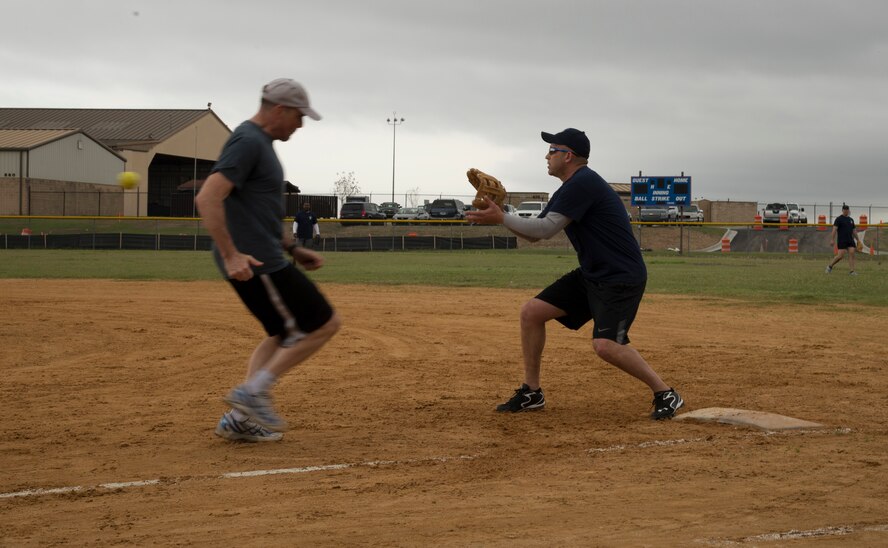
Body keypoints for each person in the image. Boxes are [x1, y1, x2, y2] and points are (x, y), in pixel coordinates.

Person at [466, 128, 683, 420]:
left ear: (568, 156)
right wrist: (503, 212)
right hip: (593, 274)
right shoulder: (570, 187)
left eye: (552, 150)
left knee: (606, 345)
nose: (547, 155)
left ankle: (665, 392)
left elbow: (544, 230)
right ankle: (532, 392)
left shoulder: (583, 184)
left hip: (620, 277)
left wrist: (501, 217)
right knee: (532, 312)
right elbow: (535, 233)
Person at [196, 78, 341, 442]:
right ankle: (253, 393)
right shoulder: (248, 142)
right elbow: (208, 198)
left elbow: (257, 210)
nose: (300, 124)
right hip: (255, 261)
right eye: (298, 116)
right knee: (323, 324)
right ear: (279, 110)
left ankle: (240, 419)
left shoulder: (259, 143)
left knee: (281, 333)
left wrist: (294, 249)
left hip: (264, 256)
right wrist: (231, 255)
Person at [826, 204, 859, 275]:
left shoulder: (851, 220)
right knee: (840, 256)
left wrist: (858, 240)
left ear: (848, 210)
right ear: (842, 210)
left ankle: (852, 271)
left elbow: (854, 231)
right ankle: (830, 266)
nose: (846, 211)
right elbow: (834, 230)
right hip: (842, 240)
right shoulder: (839, 219)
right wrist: (832, 239)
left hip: (850, 240)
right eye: (844, 209)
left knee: (852, 253)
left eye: (847, 209)